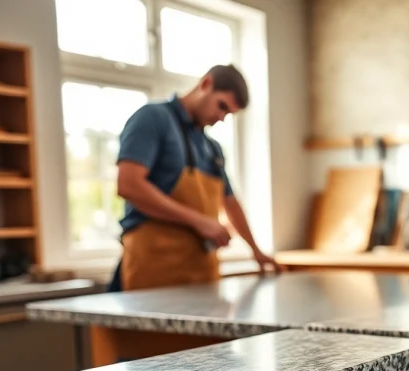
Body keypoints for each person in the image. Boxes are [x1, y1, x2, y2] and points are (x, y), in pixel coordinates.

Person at [107, 64, 280, 292]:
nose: (221, 117)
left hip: (201, 275)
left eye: (228, 114)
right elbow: (129, 185)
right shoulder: (153, 119)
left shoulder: (212, 149)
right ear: (205, 84)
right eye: (221, 106)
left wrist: (256, 251)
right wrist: (199, 221)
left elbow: (230, 203)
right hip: (153, 274)